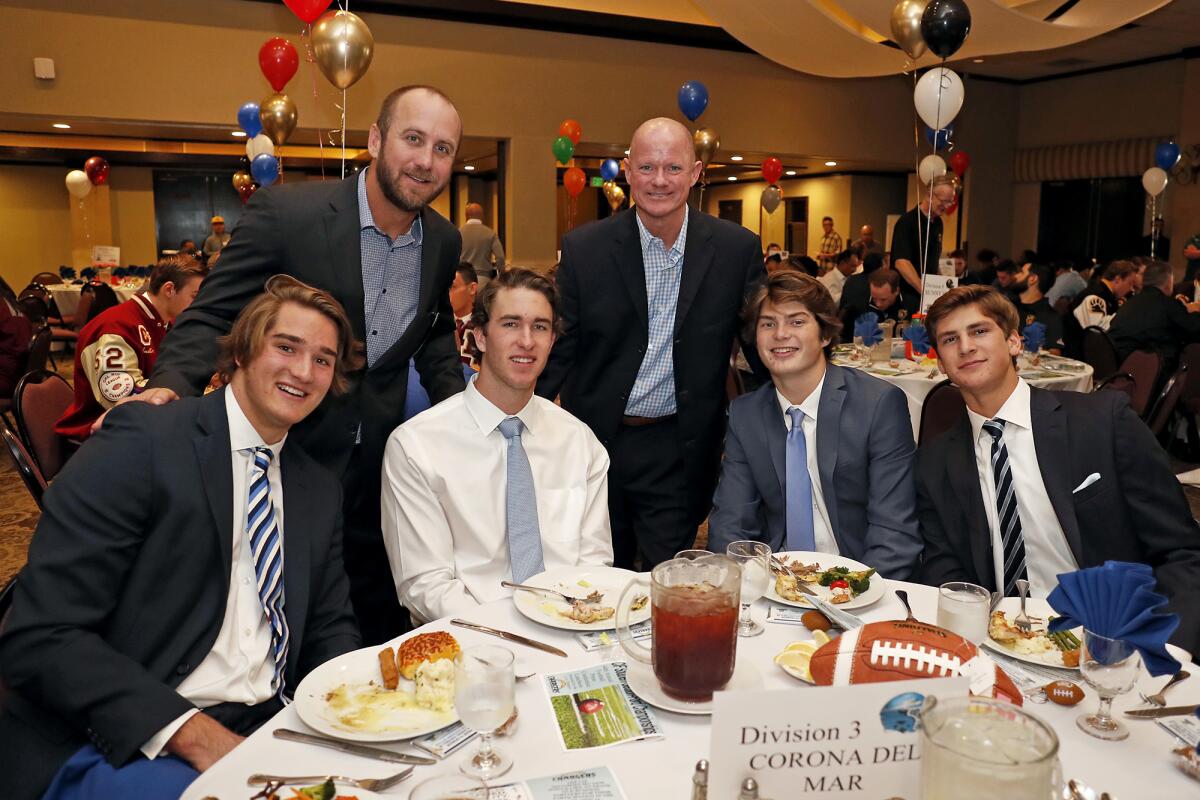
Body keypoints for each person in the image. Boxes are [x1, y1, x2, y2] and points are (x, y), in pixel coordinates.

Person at [0, 276, 363, 799]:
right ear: (240, 351)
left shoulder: (316, 487)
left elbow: (330, 626)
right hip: (119, 736)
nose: (304, 372)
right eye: (286, 347)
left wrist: (354, 710)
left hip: (264, 724)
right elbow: (42, 636)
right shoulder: (143, 443)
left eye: (324, 360)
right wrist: (194, 734)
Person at [131, 85, 468, 645]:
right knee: (280, 617)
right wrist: (170, 385)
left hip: (383, 464)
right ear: (376, 140)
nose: (425, 161)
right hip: (289, 455)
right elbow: (212, 313)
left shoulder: (443, 240)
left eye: (443, 149)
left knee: (371, 616)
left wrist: (460, 410)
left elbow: (431, 333)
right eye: (413, 139)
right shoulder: (288, 215)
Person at [915, 285, 1200, 652]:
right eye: (950, 339)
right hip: (1004, 643)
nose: (966, 346)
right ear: (940, 363)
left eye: (980, 331)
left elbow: (1182, 552)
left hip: (1113, 636)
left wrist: (1159, 652)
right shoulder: (934, 462)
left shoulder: (1101, 422)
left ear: (1015, 342)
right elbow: (945, 569)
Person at [536, 117, 765, 569]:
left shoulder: (736, 250)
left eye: (673, 168)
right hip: (594, 442)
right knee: (595, 577)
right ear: (626, 169)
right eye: (646, 167)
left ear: (696, 173)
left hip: (680, 447)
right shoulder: (586, 249)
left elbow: (760, 349)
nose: (659, 181)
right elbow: (559, 349)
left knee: (667, 581)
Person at [383, 269, 612, 622]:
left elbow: (594, 564)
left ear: (552, 341)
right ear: (480, 336)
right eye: (510, 324)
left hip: (570, 632)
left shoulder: (579, 442)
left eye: (540, 327)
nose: (526, 340)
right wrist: (513, 637)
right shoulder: (417, 447)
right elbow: (425, 585)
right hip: (468, 642)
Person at [707, 271, 921, 579]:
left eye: (796, 321)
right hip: (777, 582)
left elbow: (895, 533)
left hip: (858, 580)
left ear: (824, 334)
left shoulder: (877, 405)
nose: (780, 334)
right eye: (768, 323)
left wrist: (853, 594)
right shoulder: (746, 413)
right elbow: (731, 521)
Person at [56, 256, 207, 440]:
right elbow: (121, 398)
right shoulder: (116, 327)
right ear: (169, 289)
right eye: (195, 296)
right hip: (101, 435)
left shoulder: (162, 321)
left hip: (139, 426)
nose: (200, 304)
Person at [1108, 260, 1200, 365]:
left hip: (1114, 364)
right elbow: (1195, 329)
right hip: (1146, 372)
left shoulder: (1128, 304)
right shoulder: (1168, 304)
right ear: (1168, 281)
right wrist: (1196, 310)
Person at [890, 178, 954, 310]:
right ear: (930, 195)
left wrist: (943, 288)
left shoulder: (938, 223)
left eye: (950, 202)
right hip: (909, 295)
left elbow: (933, 262)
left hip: (928, 297)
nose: (947, 207)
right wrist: (925, 291)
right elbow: (901, 262)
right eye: (944, 201)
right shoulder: (907, 222)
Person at [1011, 262, 1064, 354]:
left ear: (1032, 279)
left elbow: (1055, 353)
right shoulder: (1008, 307)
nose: (1016, 276)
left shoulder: (1050, 316)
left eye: (1022, 272)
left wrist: (1027, 347)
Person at [840, 267, 908, 331]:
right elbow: (844, 336)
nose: (878, 304)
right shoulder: (856, 306)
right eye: (874, 298)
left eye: (883, 299)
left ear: (896, 291)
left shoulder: (911, 306)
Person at [458, 202, 505, 288]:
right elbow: (500, 257)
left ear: (466, 215)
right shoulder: (490, 233)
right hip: (483, 278)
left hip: (463, 278)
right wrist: (501, 276)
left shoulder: (458, 233)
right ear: (482, 216)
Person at [449, 261, 480, 367]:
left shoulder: (484, 325)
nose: (445, 294)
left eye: (452, 287)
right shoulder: (437, 322)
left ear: (472, 288)